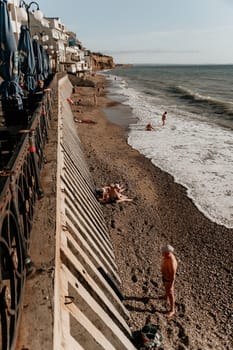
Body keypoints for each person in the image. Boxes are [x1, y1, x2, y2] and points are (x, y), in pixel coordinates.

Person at [160, 244, 178, 318]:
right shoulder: (167, 257)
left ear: (167, 253)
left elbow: (173, 276)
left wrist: (171, 285)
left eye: (163, 253)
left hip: (168, 279)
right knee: (166, 288)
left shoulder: (172, 262)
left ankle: (172, 310)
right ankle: (165, 296)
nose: (162, 254)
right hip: (165, 277)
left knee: (171, 293)